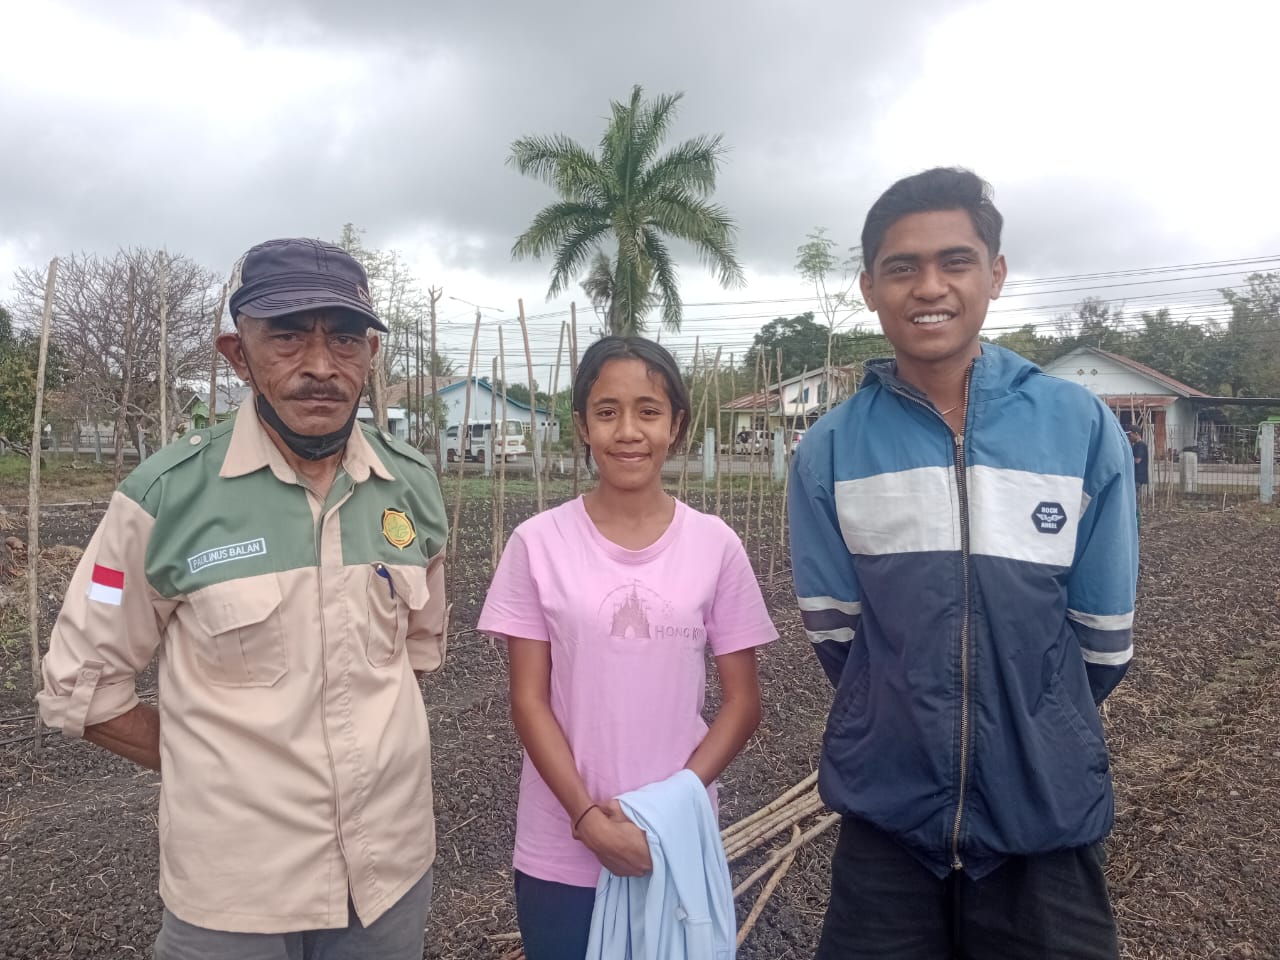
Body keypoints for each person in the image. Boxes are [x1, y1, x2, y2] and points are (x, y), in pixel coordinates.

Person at [38, 238, 450, 960]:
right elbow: (83, 689)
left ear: (370, 355)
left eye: (344, 339)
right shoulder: (164, 499)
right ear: (238, 354)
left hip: (389, 873)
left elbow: (412, 656)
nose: (320, 365)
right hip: (234, 890)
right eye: (287, 336)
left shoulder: (410, 487)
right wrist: (211, 766)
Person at [788, 168, 1138, 960]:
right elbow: (839, 640)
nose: (929, 287)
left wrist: (1029, 723)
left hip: (1044, 815)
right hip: (888, 821)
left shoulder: (1078, 427)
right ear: (869, 287)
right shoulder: (831, 450)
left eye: (955, 261)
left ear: (996, 274)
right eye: (902, 267)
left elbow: (1102, 642)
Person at [478, 336, 777, 960]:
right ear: (582, 426)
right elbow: (528, 702)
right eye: (607, 412)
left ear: (677, 425)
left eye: (648, 411)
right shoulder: (538, 543)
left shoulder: (715, 545)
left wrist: (668, 811)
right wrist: (587, 820)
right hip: (562, 846)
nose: (628, 432)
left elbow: (743, 703)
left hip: (675, 840)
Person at [1128, 427, 1150, 497]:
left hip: (1138, 476)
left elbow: (1137, 460)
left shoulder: (1141, 445)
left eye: (1130, 435)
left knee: (1133, 497)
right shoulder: (1136, 445)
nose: (1129, 437)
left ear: (1136, 434)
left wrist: (1127, 459)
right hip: (1135, 476)